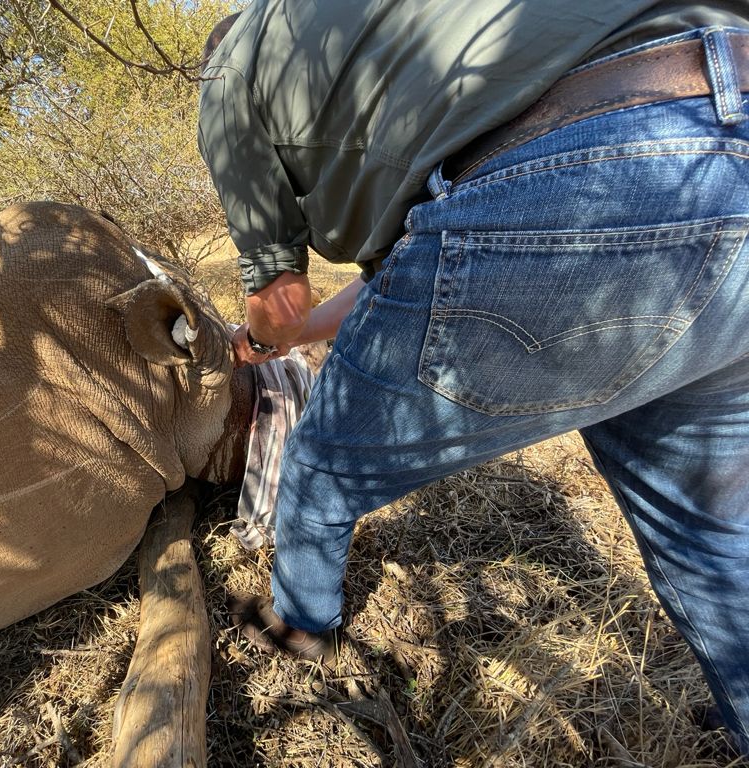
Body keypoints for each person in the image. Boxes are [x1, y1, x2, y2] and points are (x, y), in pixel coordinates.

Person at [198, 0, 749, 755]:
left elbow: (282, 303)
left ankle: (301, 629)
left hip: (586, 181)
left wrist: (260, 340)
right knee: (707, 533)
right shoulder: (401, 33)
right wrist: (303, 329)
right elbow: (408, 258)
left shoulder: (230, 70)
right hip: (726, 131)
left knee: (322, 464)